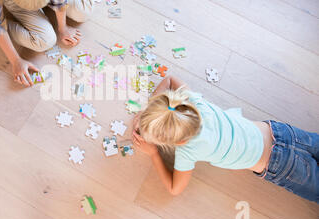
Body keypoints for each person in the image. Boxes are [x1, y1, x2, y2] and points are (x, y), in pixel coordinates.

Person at [132, 75, 318, 203]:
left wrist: (154, 153)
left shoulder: (187, 151)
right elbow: (169, 79)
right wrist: (149, 111)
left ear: (177, 142)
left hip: (281, 166)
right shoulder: (193, 103)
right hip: (281, 132)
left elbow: (175, 189)